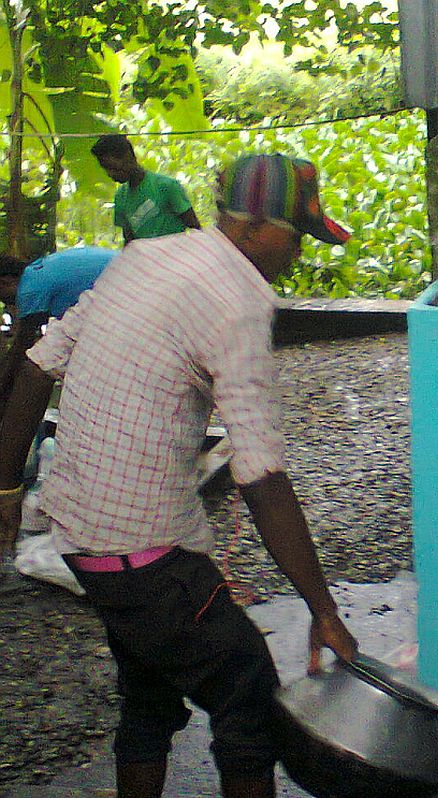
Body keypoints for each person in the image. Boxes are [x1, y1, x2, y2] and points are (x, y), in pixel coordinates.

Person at [0, 152, 356, 798]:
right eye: (295, 235)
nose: (300, 252)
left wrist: (6, 490)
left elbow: (33, 366)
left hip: (80, 537)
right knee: (247, 692)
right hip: (143, 557)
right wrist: (322, 607)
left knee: (150, 692)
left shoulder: (146, 256)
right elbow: (261, 475)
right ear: (249, 227)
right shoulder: (241, 300)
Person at [0, 246, 116, 419]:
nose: (5, 302)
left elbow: (21, 349)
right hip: (122, 278)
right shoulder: (36, 271)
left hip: (121, 289)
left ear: (5, 283)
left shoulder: (29, 289)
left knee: (35, 370)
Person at [91, 134, 201, 244]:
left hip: (175, 256)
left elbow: (195, 229)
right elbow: (130, 243)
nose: (110, 174)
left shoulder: (167, 187)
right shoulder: (120, 197)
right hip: (146, 260)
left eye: (112, 167)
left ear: (128, 157)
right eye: (106, 169)